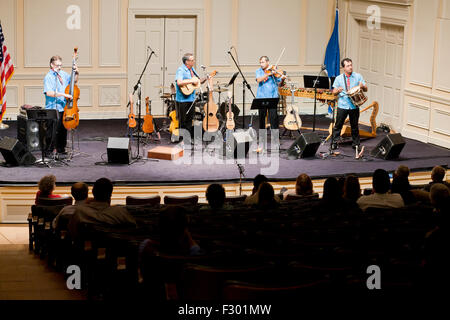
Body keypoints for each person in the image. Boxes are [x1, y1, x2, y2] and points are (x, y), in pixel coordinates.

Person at [68, 178, 136, 239]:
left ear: (93, 192)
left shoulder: (80, 212)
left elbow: (73, 233)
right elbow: (133, 229)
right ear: (110, 194)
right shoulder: (121, 212)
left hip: (88, 250)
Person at [43, 55, 79, 155]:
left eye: (60, 65)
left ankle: (61, 150)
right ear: (51, 65)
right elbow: (49, 93)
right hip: (52, 108)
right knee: (52, 131)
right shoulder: (48, 77)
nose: (59, 67)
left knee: (62, 130)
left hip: (63, 107)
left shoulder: (63, 74)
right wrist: (63, 94)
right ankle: (48, 151)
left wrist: (76, 72)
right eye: (57, 65)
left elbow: (74, 81)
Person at [331, 58, 367, 150]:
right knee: (338, 125)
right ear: (343, 68)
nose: (350, 67)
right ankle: (334, 142)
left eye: (351, 65)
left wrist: (363, 86)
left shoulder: (358, 76)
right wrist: (337, 91)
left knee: (354, 126)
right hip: (342, 105)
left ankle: (356, 144)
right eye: (348, 66)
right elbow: (334, 92)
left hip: (354, 105)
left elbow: (366, 88)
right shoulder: (339, 78)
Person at [174, 53, 207, 141]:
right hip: (182, 100)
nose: (194, 61)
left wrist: (206, 78)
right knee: (183, 121)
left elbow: (197, 82)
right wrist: (190, 81)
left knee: (189, 120)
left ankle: (187, 139)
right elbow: (179, 82)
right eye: (192, 60)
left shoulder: (192, 70)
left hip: (191, 99)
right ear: (187, 62)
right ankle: (181, 140)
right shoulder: (181, 70)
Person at [255, 56, 286, 131]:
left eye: (263, 62)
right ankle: (262, 138)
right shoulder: (258, 71)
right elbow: (258, 80)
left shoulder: (274, 71)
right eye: (260, 62)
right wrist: (268, 74)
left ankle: (275, 139)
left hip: (273, 97)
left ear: (268, 62)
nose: (261, 64)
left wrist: (282, 79)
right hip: (261, 97)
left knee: (274, 118)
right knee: (262, 119)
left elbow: (280, 84)